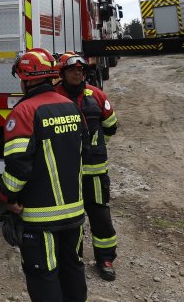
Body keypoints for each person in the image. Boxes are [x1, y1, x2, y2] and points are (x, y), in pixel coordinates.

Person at [2, 48, 87, 302]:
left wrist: (7, 197)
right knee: (73, 268)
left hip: (41, 217)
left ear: (26, 78)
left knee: (43, 275)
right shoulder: (71, 106)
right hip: (74, 212)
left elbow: (17, 167)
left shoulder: (25, 112)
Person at [54, 52, 119, 281]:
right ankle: (72, 259)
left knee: (100, 216)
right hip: (65, 174)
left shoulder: (97, 96)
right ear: (62, 73)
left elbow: (111, 126)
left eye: (80, 70)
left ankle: (105, 258)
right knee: (70, 221)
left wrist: (94, 147)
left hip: (95, 173)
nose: (77, 72)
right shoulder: (53, 97)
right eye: (72, 70)